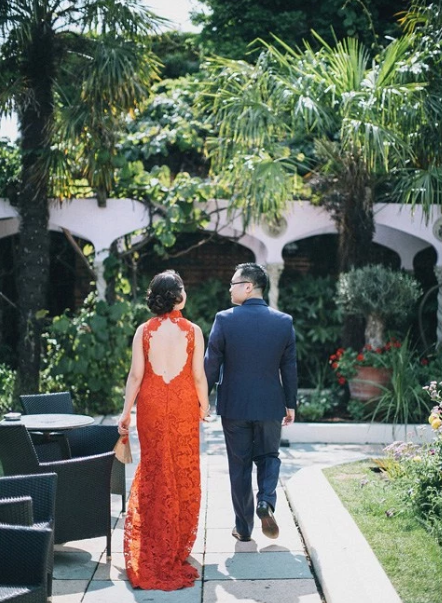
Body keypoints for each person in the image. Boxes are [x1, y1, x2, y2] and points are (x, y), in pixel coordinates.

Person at [118, 270, 210, 590]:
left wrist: (126, 412)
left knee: (155, 468)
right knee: (182, 468)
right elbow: (198, 375)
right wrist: (204, 405)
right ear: (178, 296)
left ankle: (154, 538)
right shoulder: (193, 331)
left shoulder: (143, 331)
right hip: (183, 404)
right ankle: (175, 543)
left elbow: (135, 376)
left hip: (152, 405)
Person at [204, 262, 297, 542]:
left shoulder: (224, 319)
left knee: (240, 465)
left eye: (233, 284)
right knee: (269, 456)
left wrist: (202, 399)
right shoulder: (284, 322)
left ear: (248, 286)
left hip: (234, 406)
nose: (229, 289)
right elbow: (289, 367)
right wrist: (290, 403)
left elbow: (211, 363)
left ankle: (243, 528)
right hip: (270, 405)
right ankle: (265, 500)